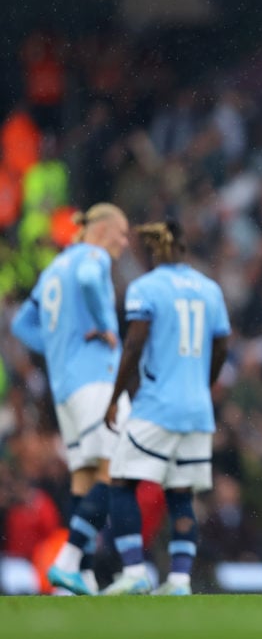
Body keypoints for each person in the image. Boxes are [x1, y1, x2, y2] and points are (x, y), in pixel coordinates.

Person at [101, 220, 231, 595]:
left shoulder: (147, 287)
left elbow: (134, 343)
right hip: (197, 409)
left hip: (157, 405)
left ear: (154, 250)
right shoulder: (210, 289)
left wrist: (115, 397)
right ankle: (179, 579)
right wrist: (204, 384)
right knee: (180, 492)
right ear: (185, 248)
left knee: (123, 481)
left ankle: (133, 571)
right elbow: (222, 346)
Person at [10, 202, 130, 595]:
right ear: (101, 230)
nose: (125, 241)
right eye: (122, 232)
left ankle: (86, 575)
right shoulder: (90, 256)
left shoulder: (52, 270)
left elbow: (20, 324)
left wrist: (56, 346)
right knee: (114, 471)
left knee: (84, 478)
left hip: (66, 389)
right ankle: (68, 561)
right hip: (97, 379)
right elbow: (92, 279)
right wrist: (107, 325)